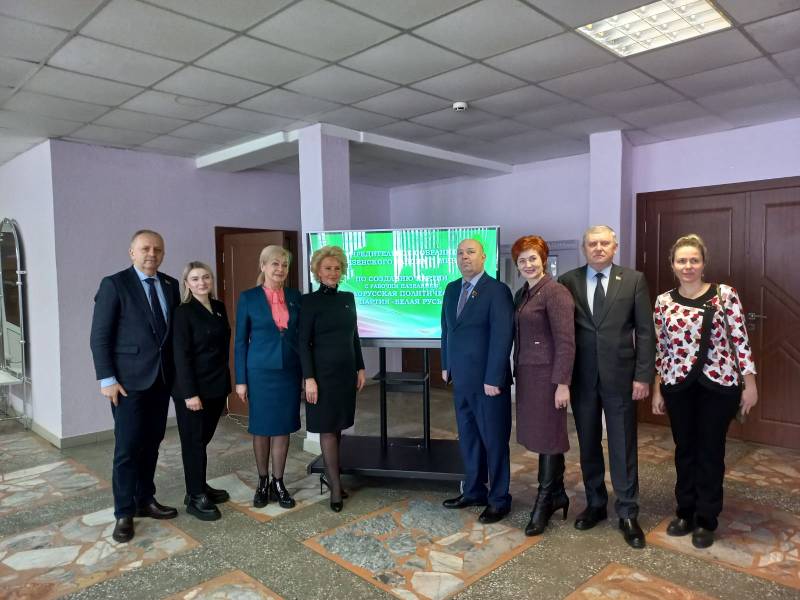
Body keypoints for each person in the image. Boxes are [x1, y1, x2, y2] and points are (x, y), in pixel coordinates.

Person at [651, 234, 757, 549]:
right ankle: (685, 511)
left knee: (710, 451)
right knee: (685, 450)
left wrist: (750, 383)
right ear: (672, 265)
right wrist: (657, 389)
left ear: (703, 263)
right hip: (677, 386)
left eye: (693, 260)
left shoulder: (725, 294)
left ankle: (706, 518)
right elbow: (662, 348)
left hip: (719, 385)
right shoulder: (663, 302)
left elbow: (740, 339)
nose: (688, 266)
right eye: (682, 260)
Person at [559, 225, 655, 549]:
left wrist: (643, 376)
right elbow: (563, 333)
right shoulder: (568, 281)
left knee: (622, 444)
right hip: (582, 378)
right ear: (583, 248)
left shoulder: (633, 280)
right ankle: (596, 503)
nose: (598, 248)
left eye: (604, 243)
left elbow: (645, 331)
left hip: (621, 378)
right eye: (592, 243)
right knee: (588, 443)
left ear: (615, 247)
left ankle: (627, 511)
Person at [90, 229, 180, 543]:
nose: (151, 254)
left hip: (161, 380)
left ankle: (145, 500)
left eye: (158, 249)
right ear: (132, 252)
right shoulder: (114, 284)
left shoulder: (170, 284)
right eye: (145, 248)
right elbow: (100, 336)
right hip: (127, 383)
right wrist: (108, 379)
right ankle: (123, 512)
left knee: (152, 443)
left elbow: (170, 335)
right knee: (127, 448)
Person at [440, 238, 515, 524]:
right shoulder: (451, 289)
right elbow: (446, 329)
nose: (465, 257)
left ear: (484, 257)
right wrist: (445, 364)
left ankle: (499, 499)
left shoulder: (497, 291)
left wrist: (494, 376)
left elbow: (502, 336)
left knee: (494, 442)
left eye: (471, 252)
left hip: (488, 383)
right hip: (461, 379)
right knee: (469, 439)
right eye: (460, 253)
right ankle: (473, 491)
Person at [512, 236, 575, 536]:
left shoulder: (555, 292)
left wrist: (562, 383)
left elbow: (566, 341)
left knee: (549, 437)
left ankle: (545, 498)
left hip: (549, 377)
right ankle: (558, 493)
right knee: (543, 435)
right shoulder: (523, 293)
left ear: (544, 260)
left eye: (532, 258)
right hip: (529, 376)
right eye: (522, 260)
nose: (528, 264)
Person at [298, 245, 366, 512]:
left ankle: (331, 476)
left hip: (345, 374)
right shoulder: (309, 301)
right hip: (321, 377)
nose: (333, 272)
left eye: (337, 268)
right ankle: (336, 489)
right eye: (327, 268)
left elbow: (354, 336)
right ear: (317, 271)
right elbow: (303, 343)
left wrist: (360, 368)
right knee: (327, 429)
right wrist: (309, 378)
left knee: (338, 427)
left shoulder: (348, 297)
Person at [235, 246, 302, 510]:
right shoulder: (249, 298)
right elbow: (240, 342)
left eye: (284, 265)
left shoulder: (295, 296)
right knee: (262, 427)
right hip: (260, 372)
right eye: (275, 264)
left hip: (289, 371)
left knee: (282, 427)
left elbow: (300, 336)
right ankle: (262, 482)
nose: (280, 269)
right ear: (263, 266)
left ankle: (278, 482)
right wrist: (241, 380)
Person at [172, 261, 231, 521]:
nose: (202, 282)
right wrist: (189, 393)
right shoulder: (183, 312)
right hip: (193, 391)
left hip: (216, 386)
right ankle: (195, 497)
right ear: (187, 284)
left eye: (206, 277)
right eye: (195, 279)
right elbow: (181, 355)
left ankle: (199, 485)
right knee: (193, 442)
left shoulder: (218, 307)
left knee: (202, 441)